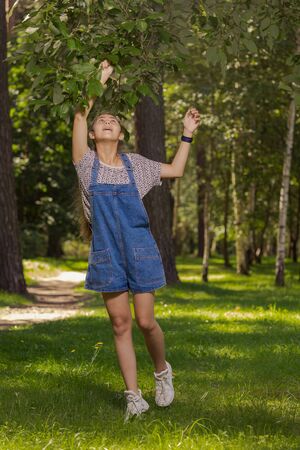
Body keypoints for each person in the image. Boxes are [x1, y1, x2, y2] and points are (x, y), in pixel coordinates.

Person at [72, 59, 200, 422]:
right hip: (107, 255)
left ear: (122, 133)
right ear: (95, 135)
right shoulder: (85, 164)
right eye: (101, 121)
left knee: (145, 322)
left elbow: (175, 170)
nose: (106, 121)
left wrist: (186, 133)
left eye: (113, 120)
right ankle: (133, 396)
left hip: (141, 251)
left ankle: (162, 370)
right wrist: (99, 80)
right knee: (119, 325)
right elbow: (80, 116)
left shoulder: (136, 166)